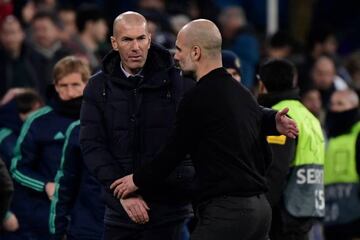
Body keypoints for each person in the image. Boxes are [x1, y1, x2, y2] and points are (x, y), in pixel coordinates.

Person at [111, 19, 299, 240]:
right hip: (259, 210)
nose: (176, 56)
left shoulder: (197, 97)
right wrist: (270, 120)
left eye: (180, 50)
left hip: (228, 213)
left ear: (196, 52)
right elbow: (258, 130)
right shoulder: (240, 92)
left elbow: (173, 153)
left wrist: (137, 180)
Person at [80, 11, 195, 240]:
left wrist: (269, 120)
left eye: (141, 38)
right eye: (127, 40)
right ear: (114, 43)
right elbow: (92, 144)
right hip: (120, 211)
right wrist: (124, 193)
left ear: (150, 40)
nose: (136, 47)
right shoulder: (97, 86)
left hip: (170, 210)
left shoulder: (179, 81)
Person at [11, 56, 89, 240]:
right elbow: (17, 168)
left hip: (89, 213)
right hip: (45, 214)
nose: (70, 92)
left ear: (87, 83)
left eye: (76, 84)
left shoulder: (98, 117)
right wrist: (45, 185)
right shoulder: (38, 121)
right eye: (63, 86)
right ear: (55, 86)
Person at [257, 59, 325, 240]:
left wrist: (261, 210)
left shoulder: (279, 116)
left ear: (262, 84)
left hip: (284, 210)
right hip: (306, 205)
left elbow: (275, 168)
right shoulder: (309, 116)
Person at [49, 120, 105, 240]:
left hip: (128, 226)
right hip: (87, 226)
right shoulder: (79, 129)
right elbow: (65, 184)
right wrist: (58, 231)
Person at [0, 89, 43, 239]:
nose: (33, 116)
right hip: (15, 209)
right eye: (27, 111)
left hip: (36, 207)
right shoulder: (5, 138)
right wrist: (5, 213)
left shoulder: (37, 132)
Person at [323, 89, 360, 240]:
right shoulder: (327, 136)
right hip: (331, 217)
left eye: (340, 104)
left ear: (354, 106)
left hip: (355, 219)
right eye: (332, 104)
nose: (334, 108)